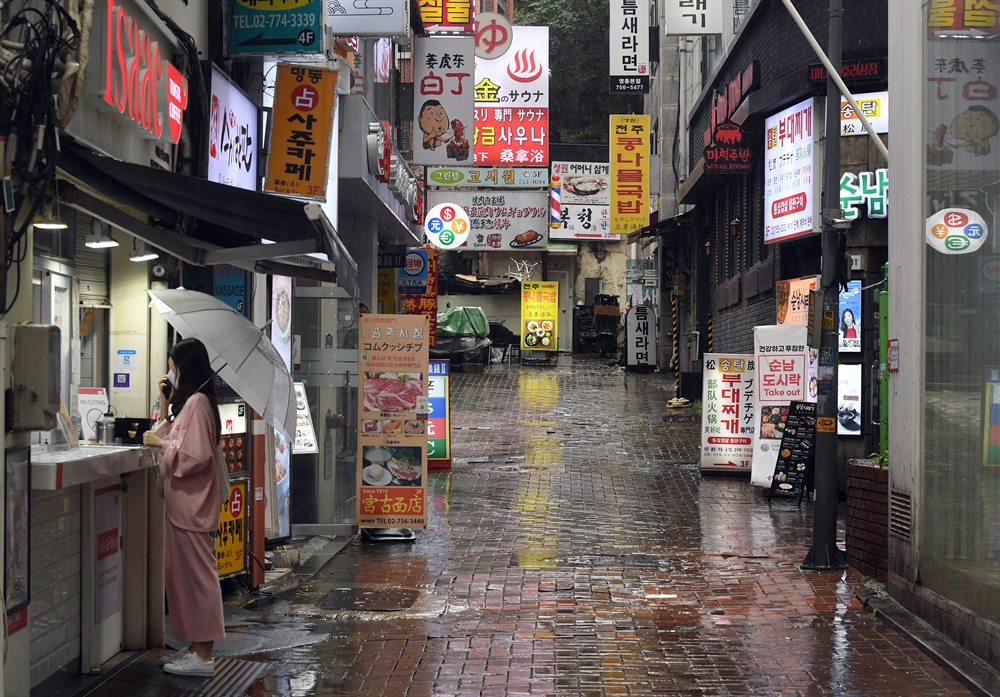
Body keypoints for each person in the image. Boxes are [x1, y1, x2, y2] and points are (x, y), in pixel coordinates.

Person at [143, 338, 225, 677]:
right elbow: (179, 439)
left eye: (173, 366)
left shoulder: (198, 403)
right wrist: (166, 406)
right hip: (186, 508)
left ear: (184, 368)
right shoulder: (193, 402)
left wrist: (161, 443)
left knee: (198, 581)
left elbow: (194, 456)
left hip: (192, 510)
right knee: (186, 581)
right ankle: (196, 647)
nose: (169, 372)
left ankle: (204, 657)